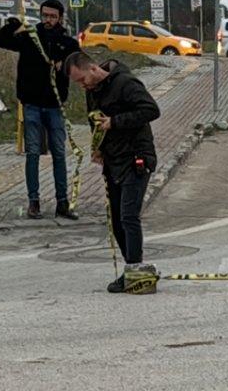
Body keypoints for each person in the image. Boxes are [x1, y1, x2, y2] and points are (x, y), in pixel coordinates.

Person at [64, 50, 161, 294]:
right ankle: (132, 271)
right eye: (77, 83)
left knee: (129, 216)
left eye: (82, 79)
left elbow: (151, 110)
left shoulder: (125, 83)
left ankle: (135, 272)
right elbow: (94, 121)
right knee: (116, 221)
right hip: (113, 160)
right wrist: (98, 148)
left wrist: (115, 121)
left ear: (94, 69)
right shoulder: (92, 92)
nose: (81, 86)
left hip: (136, 157)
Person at [0, 0, 81, 220]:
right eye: (45, 16)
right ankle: (34, 202)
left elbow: (77, 67)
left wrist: (64, 66)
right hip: (32, 104)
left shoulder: (68, 43)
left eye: (52, 16)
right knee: (33, 153)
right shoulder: (30, 38)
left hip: (55, 107)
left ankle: (62, 202)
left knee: (59, 154)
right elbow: (2, 41)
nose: (48, 20)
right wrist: (13, 25)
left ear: (60, 18)